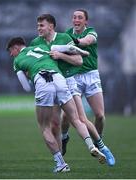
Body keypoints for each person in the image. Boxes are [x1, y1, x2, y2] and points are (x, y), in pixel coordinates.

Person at [6, 37, 106, 173]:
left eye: (10, 51)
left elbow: (26, 87)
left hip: (42, 81)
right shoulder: (42, 47)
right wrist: (83, 53)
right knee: (76, 119)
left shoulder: (17, 61)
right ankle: (91, 146)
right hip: (59, 79)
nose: (11, 55)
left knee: (44, 127)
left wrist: (30, 76)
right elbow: (70, 48)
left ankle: (61, 164)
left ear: (16, 48)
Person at [30, 13, 115, 166]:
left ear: (51, 26)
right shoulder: (36, 42)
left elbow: (79, 59)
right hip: (52, 84)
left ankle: (102, 147)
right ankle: (61, 160)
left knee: (88, 118)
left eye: (41, 25)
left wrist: (61, 55)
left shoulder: (69, 37)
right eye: (38, 25)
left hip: (72, 79)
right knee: (57, 123)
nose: (38, 28)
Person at [61, 9, 115, 166]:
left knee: (100, 115)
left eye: (80, 17)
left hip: (91, 76)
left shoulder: (91, 32)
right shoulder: (67, 33)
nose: (76, 19)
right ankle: (64, 137)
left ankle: (99, 142)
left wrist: (74, 42)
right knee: (66, 116)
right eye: (74, 17)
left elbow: (87, 41)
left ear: (86, 21)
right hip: (74, 77)